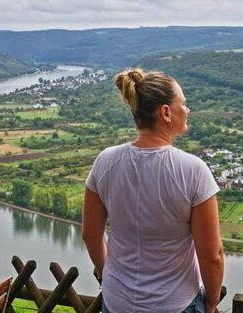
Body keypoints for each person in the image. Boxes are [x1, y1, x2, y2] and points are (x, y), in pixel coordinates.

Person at [82, 68, 224, 313]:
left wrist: (109, 275)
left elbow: (91, 235)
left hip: (117, 302)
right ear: (166, 112)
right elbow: (212, 255)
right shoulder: (193, 170)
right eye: (183, 103)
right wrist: (211, 302)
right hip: (175, 304)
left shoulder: (105, 161)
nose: (187, 110)